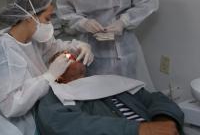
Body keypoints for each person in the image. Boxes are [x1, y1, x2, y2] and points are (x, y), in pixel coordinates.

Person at [0, 0, 94, 135]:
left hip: (39, 108)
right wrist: (48, 77)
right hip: (17, 123)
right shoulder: (5, 52)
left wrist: (79, 46)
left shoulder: (34, 39)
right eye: (47, 18)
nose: (50, 24)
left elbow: (56, 46)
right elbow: (10, 105)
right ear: (29, 17)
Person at [36, 51, 184, 135]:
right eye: (68, 56)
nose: (76, 55)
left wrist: (164, 120)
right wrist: (139, 130)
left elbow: (154, 99)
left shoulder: (108, 82)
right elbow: (72, 127)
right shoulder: (54, 98)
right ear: (57, 71)